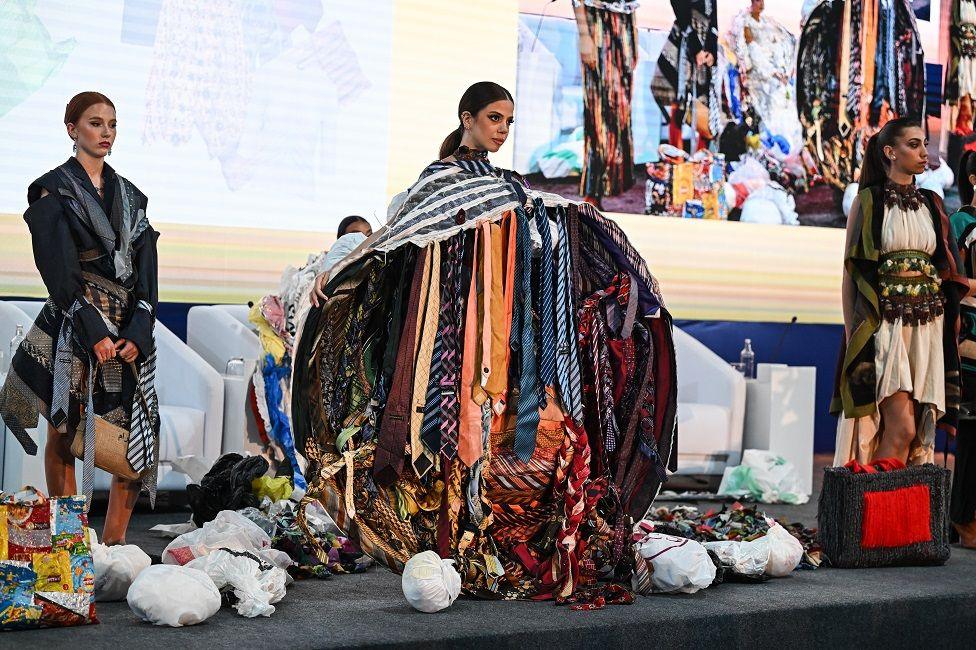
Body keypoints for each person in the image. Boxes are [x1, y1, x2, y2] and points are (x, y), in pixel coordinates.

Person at [292, 81, 677, 601]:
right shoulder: (440, 182)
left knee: (513, 438)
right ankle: (455, 546)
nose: (502, 130)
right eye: (494, 118)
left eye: (509, 122)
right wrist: (344, 266)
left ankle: (496, 547)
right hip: (452, 338)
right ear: (467, 118)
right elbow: (398, 235)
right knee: (457, 436)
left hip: (511, 341)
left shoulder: (511, 185)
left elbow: (539, 231)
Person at [0, 92, 160, 545]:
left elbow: (146, 265)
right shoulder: (51, 188)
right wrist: (91, 328)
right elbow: (58, 268)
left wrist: (140, 326)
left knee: (134, 437)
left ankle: (114, 551)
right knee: (64, 432)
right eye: (95, 123)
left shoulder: (132, 196)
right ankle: (72, 544)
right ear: (72, 128)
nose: (105, 132)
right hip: (73, 322)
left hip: (127, 324)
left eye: (112, 124)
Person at [832, 117, 973, 467]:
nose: (924, 152)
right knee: (899, 428)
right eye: (914, 144)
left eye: (925, 143)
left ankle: (895, 517)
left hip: (926, 328)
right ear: (890, 152)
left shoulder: (931, 203)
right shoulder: (869, 201)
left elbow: (948, 270)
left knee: (915, 437)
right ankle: (873, 514)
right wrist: (853, 334)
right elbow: (852, 274)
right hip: (887, 327)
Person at [573, 0, 639, 208]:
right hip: (597, 22)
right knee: (598, 109)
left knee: (620, 109)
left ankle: (613, 184)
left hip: (625, 22)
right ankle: (593, 192)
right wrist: (584, 34)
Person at [949, 150, 976, 547]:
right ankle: (962, 517)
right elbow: (951, 279)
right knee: (970, 433)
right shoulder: (961, 222)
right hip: (968, 337)